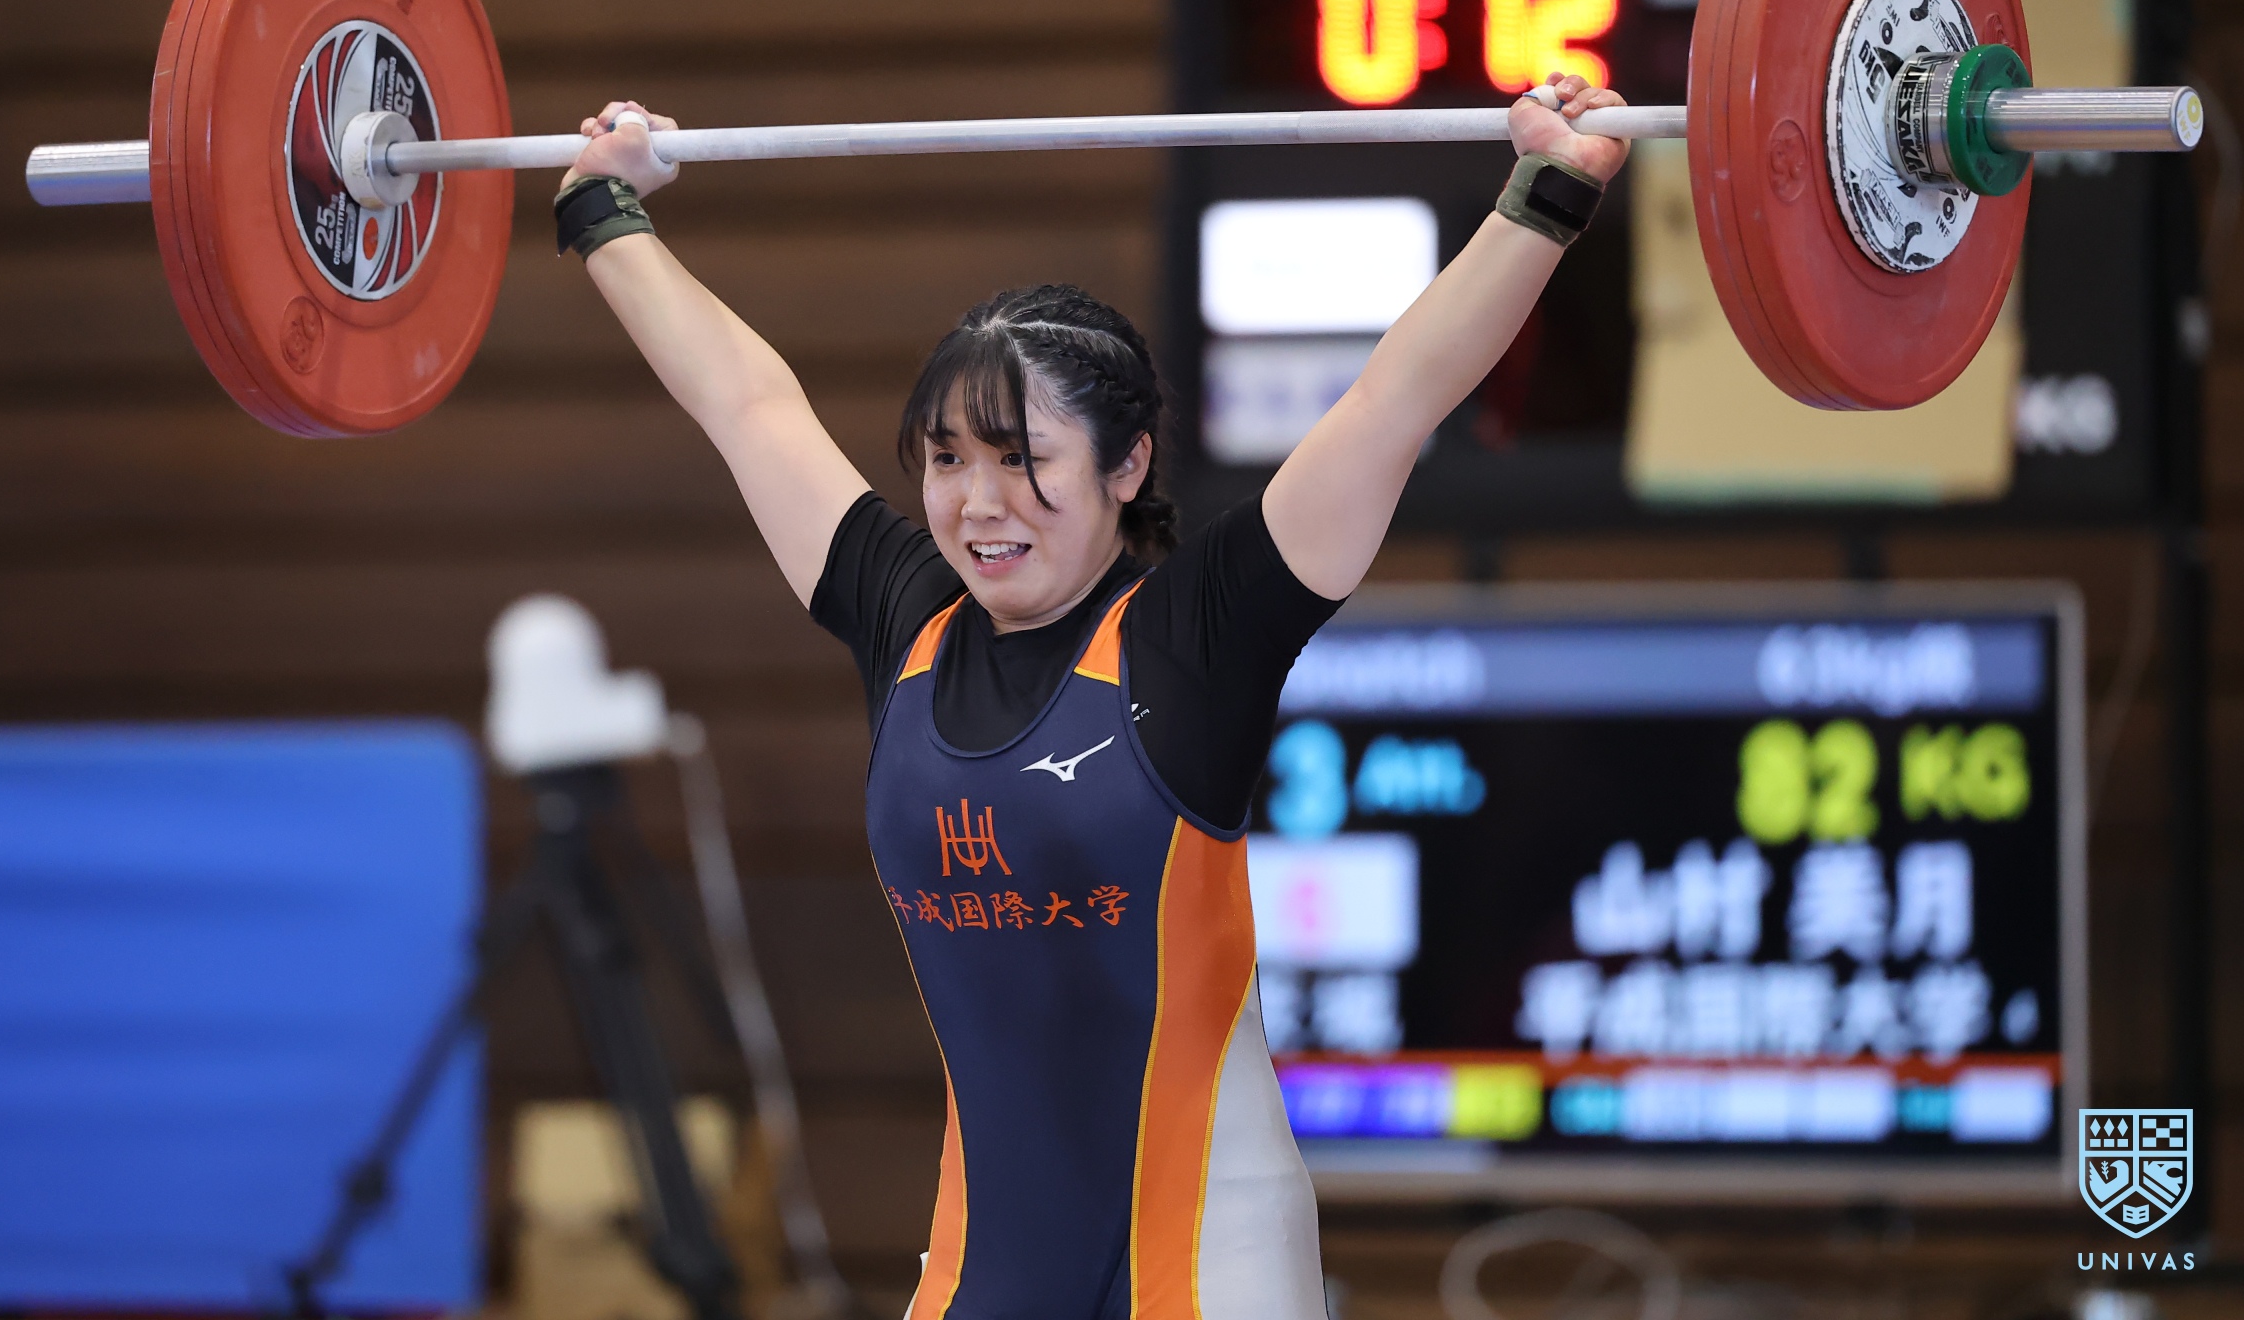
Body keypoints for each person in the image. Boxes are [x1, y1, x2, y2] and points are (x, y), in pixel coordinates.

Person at [556, 75, 1630, 1320]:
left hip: (1206, 1262)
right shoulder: (904, 619)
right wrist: (603, 213)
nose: (978, 502)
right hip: (986, 1266)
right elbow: (747, 406)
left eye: (1024, 460)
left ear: (1127, 465)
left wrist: (1545, 195)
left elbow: (1394, 401)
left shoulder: (1197, 635)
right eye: (947, 460)